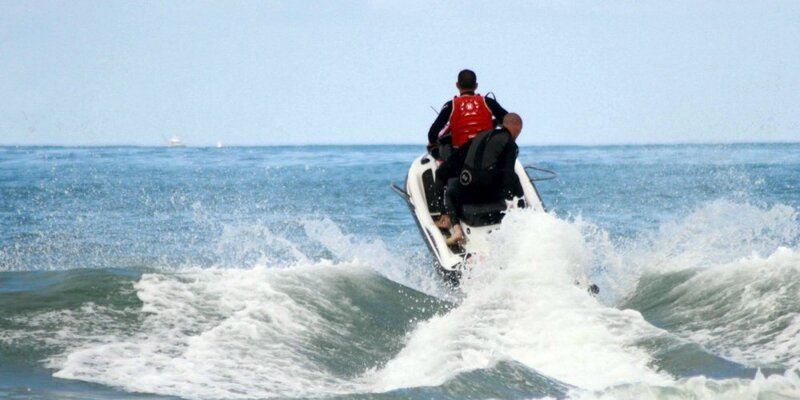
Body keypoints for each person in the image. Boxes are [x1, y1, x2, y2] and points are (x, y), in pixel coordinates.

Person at [434, 113, 525, 245]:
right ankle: (523, 217)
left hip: (467, 191)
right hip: (489, 195)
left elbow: (455, 160)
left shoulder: (480, 136)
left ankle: (457, 230)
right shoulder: (510, 143)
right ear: (518, 129)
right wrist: (511, 199)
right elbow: (509, 175)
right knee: (515, 178)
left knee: (451, 193)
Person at [427, 69, 508, 160]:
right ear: (476, 85)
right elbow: (509, 120)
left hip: (461, 157)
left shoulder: (450, 105)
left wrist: (433, 144)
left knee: (439, 164)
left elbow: (432, 134)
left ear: (457, 85)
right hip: (486, 154)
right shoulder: (488, 102)